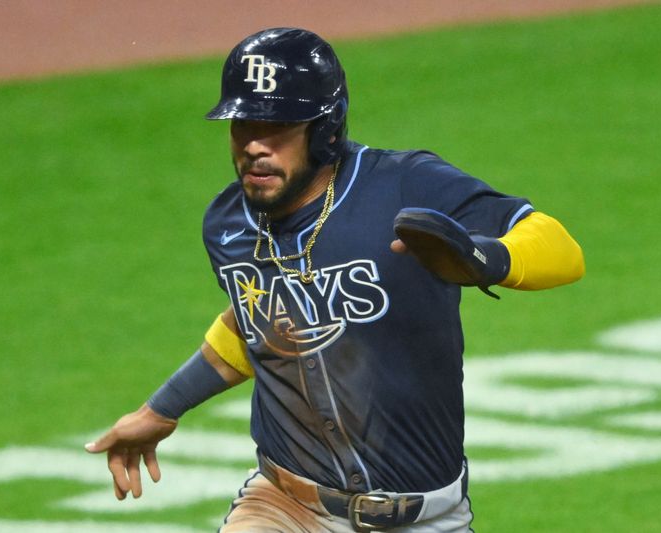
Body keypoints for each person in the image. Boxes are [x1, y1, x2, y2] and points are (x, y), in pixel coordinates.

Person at [85, 27, 584, 532]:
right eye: (242, 124)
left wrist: (484, 259)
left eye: (275, 126)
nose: (254, 145)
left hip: (427, 518)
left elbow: (559, 247)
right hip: (287, 507)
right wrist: (163, 408)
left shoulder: (404, 184)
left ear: (325, 130)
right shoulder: (228, 224)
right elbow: (257, 324)